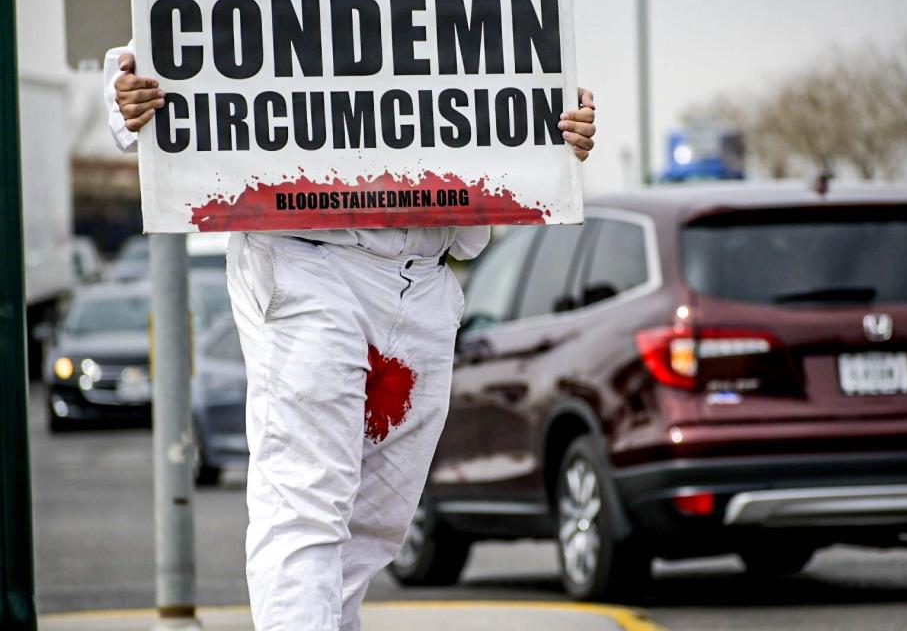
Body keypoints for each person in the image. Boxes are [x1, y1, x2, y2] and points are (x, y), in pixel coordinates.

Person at [104, 35, 596, 631]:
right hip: (308, 258)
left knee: (375, 522)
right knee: (306, 505)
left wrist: (553, 124)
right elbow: (171, 41)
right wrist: (126, 98)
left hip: (425, 276)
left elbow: (496, 79)